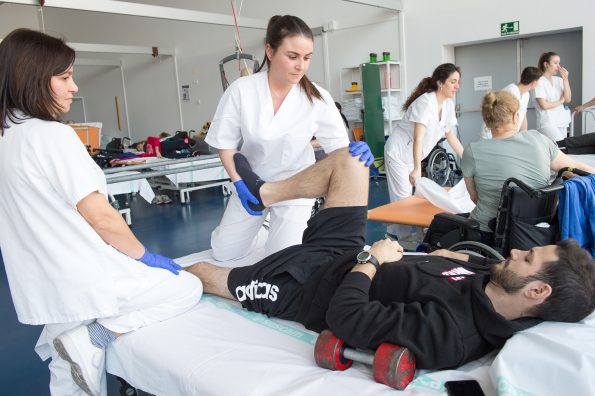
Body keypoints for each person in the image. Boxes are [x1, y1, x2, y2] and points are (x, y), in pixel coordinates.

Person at [185, 149, 595, 370]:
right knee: (349, 162)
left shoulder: (453, 333)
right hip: (343, 254)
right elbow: (443, 270)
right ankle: (265, 194)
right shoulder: (493, 280)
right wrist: (437, 255)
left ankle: (135, 271)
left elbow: (346, 318)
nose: (517, 250)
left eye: (528, 257)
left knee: (203, 273)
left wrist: (372, 259)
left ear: (538, 291)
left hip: (307, 287)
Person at [0, 29, 202, 396]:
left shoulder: (6, 137)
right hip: (82, 274)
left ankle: (79, 344)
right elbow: (103, 218)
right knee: (187, 287)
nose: (74, 87)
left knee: (68, 375)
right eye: (64, 77)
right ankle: (96, 335)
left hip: (42, 281)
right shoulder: (51, 136)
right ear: (31, 78)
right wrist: (144, 257)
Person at [205, 15, 372, 261]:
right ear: (270, 51)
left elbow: (339, 149)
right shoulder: (243, 90)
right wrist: (239, 184)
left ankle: (274, 231)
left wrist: (354, 152)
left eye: (307, 58)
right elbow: (226, 145)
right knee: (223, 254)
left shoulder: (317, 97)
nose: (301, 66)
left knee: (280, 261)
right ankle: (262, 231)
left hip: (295, 188)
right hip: (250, 184)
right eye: (292, 57)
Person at [461, 91, 595, 240]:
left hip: (489, 232)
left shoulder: (472, 151)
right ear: (515, 116)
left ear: (486, 121)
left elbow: (474, 197)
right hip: (536, 231)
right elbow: (574, 167)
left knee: (441, 227)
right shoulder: (539, 140)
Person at [384, 63, 464, 238]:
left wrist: (469, 159)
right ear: (440, 83)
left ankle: (400, 232)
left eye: (458, 82)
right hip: (398, 153)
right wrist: (417, 168)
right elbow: (418, 137)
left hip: (413, 155)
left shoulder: (448, 106)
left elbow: (451, 138)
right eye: (453, 82)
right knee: (403, 198)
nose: (457, 86)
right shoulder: (425, 102)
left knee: (414, 196)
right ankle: (399, 238)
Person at [481, 66, 541, 139]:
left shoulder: (526, 94)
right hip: (493, 134)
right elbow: (501, 117)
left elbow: (523, 116)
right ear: (534, 82)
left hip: (508, 135)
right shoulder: (511, 91)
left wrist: (524, 135)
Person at [534, 52, 572, 142]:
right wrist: (560, 101)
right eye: (555, 63)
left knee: (563, 148)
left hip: (561, 122)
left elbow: (568, 99)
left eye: (559, 63)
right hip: (547, 123)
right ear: (546, 64)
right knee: (560, 148)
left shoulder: (559, 80)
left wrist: (565, 79)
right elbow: (544, 105)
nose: (558, 67)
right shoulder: (538, 81)